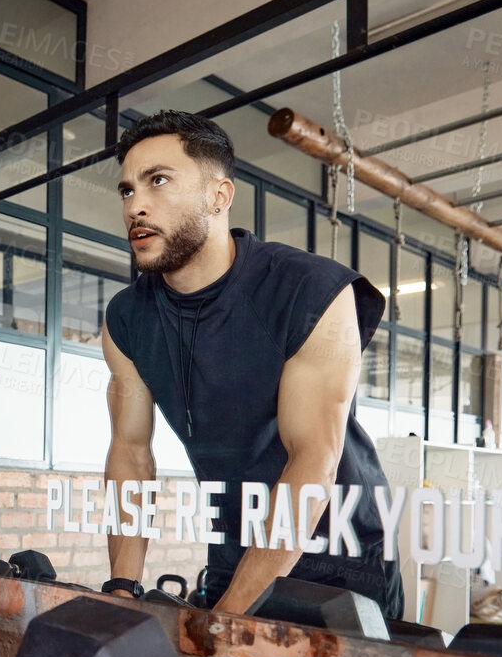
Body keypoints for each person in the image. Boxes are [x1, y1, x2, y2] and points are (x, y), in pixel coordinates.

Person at [100, 110, 401, 617]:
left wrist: (228, 620)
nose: (136, 206)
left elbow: (313, 460)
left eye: (158, 181)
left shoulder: (310, 290)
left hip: (339, 560)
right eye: (128, 190)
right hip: (233, 551)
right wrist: (121, 590)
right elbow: (130, 455)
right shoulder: (127, 319)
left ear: (219, 196)